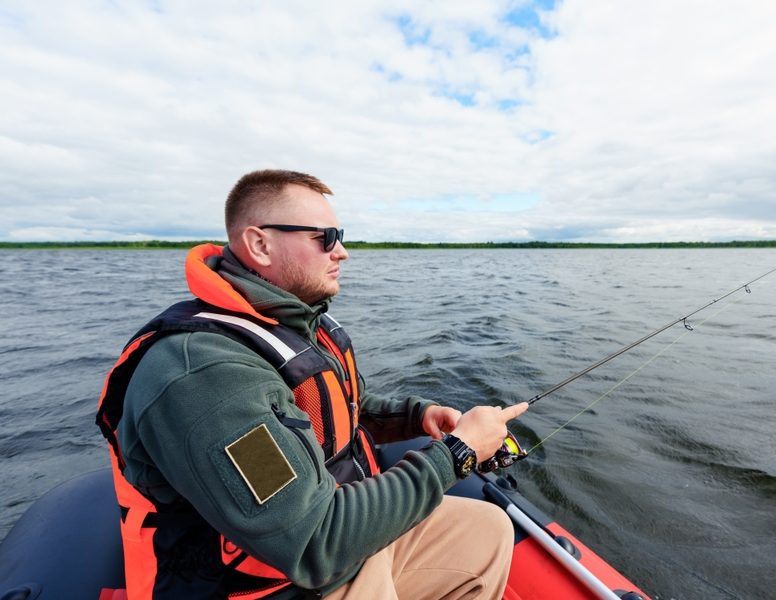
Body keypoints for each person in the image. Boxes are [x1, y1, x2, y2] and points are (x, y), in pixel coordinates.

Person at [96, 169, 529, 599]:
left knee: (488, 528)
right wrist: (457, 454)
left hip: (346, 533)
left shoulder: (295, 321)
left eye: (340, 235)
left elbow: (336, 409)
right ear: (260, 244)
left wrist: (415, 416)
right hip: (282, 582)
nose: (342, 253)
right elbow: (313, 544)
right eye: (325, 237)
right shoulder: (203, 378)